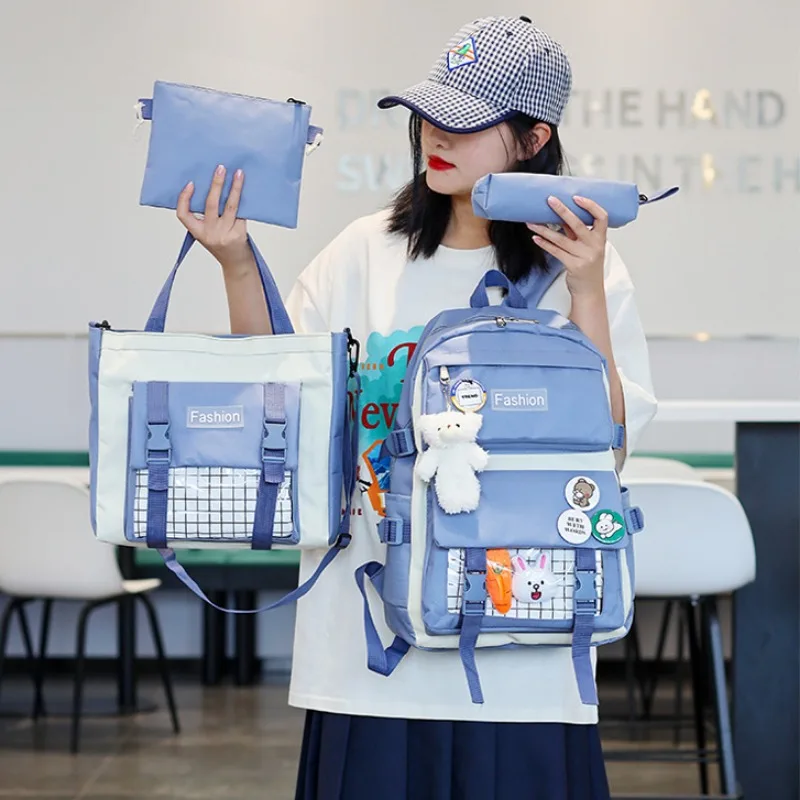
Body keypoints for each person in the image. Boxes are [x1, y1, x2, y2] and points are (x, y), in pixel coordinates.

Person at [176, 15, 657, 800]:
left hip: (523, 653)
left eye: (465, 122)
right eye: (429, 114)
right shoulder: (363, 250)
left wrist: (588, 291)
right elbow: (279, 405)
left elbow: (606, 453)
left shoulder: (588, 268)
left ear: (534, 139)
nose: (435, 134)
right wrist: (234, 263)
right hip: (369, 650)